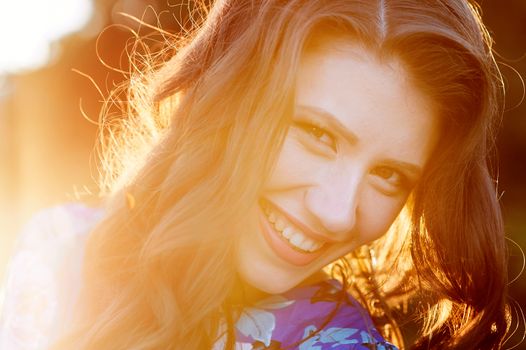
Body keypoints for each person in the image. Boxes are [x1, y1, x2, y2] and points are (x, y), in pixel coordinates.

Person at [0, 0, 514, 349]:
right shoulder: (57, 247)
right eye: (318, 133)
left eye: (389, 176)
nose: (336, 212)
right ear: (225, 98)